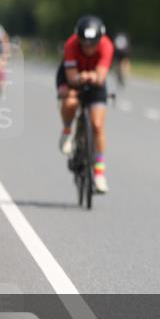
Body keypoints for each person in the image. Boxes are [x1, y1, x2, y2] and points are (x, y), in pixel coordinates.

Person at [56, 16, 114, 193]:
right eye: (84, 43)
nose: (88, 48)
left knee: (97, 125)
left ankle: (99, 173)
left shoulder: (106, 45)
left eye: (92, 44)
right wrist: (78, 81)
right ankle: (67, 131)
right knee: (70, 101)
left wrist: (93, 77)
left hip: (95, 83)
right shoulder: (71, 45)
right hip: (71, 77)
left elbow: (100, 76)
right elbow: (72, 77)